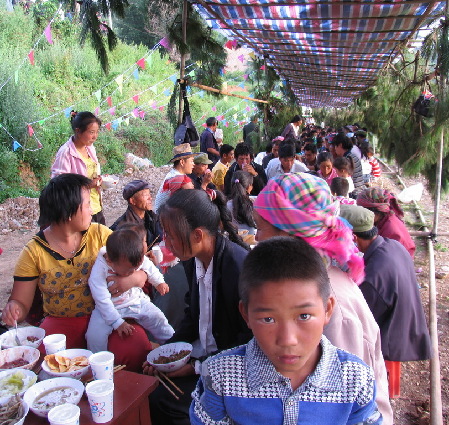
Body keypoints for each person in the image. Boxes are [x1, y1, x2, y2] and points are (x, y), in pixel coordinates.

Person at [190, 237, 382, 425]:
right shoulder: (218, 378)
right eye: (268, 319)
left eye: (304, 316)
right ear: (246, 315)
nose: (288, 340)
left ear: (327, 309)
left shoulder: (355, 381)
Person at [252, 173, 393, 423]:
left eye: (260, 228)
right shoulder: (311, 283)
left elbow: (350, 403)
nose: (256, 238)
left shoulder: (332, 306)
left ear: (289, 234)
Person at [1, 174, 152, 372]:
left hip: (109, 313)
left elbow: (139, 264)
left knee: (135, 347)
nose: (92, 210)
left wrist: (136, 278)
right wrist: (14, 309)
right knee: (44, 361)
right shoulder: (34, 252)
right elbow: (21, 302)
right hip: (62, 322)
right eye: (87, 204)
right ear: (68, 212)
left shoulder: (100, 234)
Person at [144, 189, 252, 425]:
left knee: (165, 403)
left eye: (172, 236)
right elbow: (193, 316)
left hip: (233, 370)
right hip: (205, 358)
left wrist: (196, 366)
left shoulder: (237, 267)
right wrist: (165, 352)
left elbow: (249, 340)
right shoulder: (193, 261)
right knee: (151, 389)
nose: (167, 243)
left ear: (197, 235)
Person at [340, 205, 431, 363]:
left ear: (353, 238)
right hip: (410, 328)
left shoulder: (373, 277)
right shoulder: (392, 245)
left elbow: (360, 323)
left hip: (392, 343)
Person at [86, 227, 173, 352]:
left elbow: (148, 266)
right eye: (129, 271)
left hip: (136, 301)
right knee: (94, 336)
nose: (133, 273)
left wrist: (159, 282)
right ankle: (98, 361)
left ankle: (172, 344)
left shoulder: (132, 257)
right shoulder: (99, 271)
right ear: (110, 261)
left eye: (135, 269)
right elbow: (101, 299)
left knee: (158, 318)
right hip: (110, 308)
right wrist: (117, 322)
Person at [51, 111, 105, 224]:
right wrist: (88, 185)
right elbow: (59, 185)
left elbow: (90, 174)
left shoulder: (90, 148)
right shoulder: (65, 153)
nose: (95, 136)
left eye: (97, 132)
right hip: (78, 211)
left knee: (101, 240)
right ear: (78, 131)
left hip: (95, 206)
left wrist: (99, 179)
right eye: (91, 132)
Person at [356, 187, 415, 258]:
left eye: (363, 213)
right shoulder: (383, 219)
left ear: (375, 213)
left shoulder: (391, 231)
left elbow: (385, 259)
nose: (361, 216)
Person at [110, 180, 161, 251]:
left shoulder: (151, 216)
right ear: (132, 201)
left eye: (149, 194)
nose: (150, 198)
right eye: (145, 195)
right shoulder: (123, 228)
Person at [154, 143, 195, 212]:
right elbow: (195, 200)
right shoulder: (180, 179)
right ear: (182, 162)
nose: (193, 164)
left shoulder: (173, 174)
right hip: (164, 218)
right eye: (191, 161)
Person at [333, 132, 364, 197]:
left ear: (340, 145)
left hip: (354, 192)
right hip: (359, 188)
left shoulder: (347, 160)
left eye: (335, 146)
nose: (335, 149)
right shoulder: (352, 156)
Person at [227, 170, 257, 235]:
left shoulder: (226, 206)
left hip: (232, 241)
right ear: (249, 187)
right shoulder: (255, 204)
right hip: (252, 240)